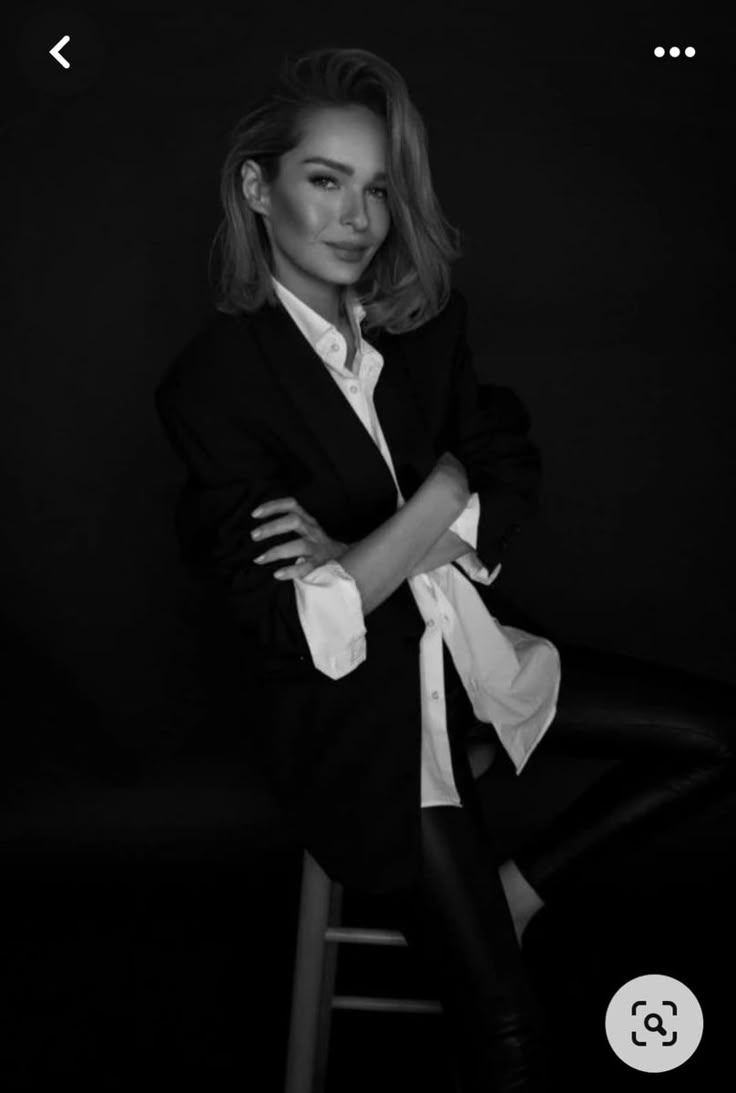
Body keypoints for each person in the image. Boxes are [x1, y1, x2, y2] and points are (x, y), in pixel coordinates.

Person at [154, 47, 736, 1092]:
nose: (356, 217)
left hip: (467, 656)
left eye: (375, 187)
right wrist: (429, 501)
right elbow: (302, 631)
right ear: (257, 187)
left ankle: (519, 883)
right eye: (323, 180)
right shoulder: (215, 382)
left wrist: (374, 551)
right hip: (362, 727)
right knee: (513, 1033)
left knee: (716, 737)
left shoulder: (422, 328)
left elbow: (505, 465)